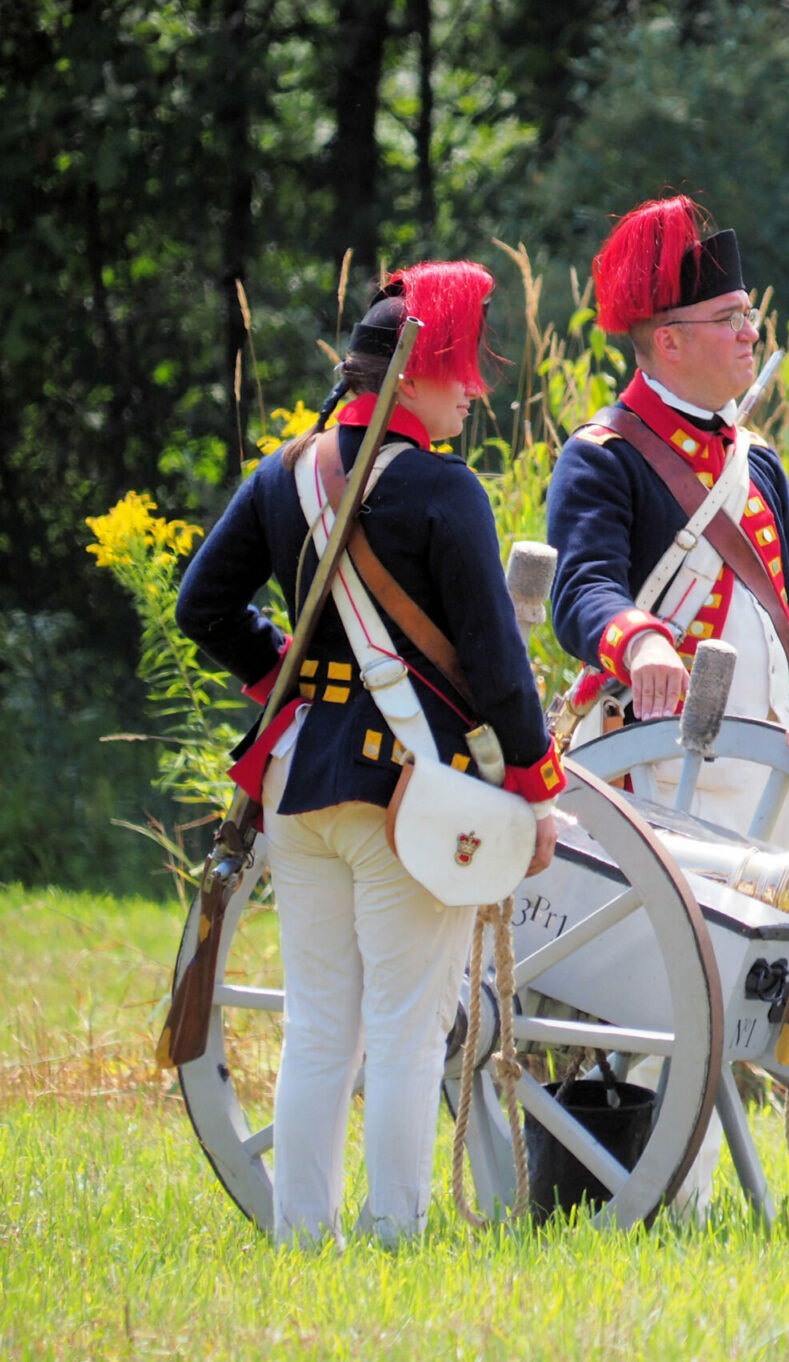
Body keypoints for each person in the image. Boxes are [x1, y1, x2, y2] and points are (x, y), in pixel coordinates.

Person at [176, 262, 567, 1246]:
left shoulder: (285, 473)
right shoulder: (443, 492)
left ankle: (303, 1237)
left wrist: (284, 681)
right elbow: (498, 666)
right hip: (412, 792)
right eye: (461, 370)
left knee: (319, 1026)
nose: (472, 392)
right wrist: (534, 788)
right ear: (423, 370)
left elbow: (203, 607)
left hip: (302, 785)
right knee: (405, 1027)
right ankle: (395, 1234)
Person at [547, 193, 789, 837]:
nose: (751, 331)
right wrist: (642, 638)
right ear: (670, 341)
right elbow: (581, 589)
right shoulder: (604, 457)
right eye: (730, 317)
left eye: (748, 313)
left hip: (774, 773)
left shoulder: (755, 460)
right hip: (662, 776)